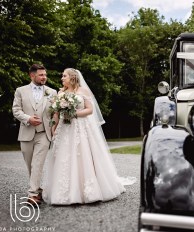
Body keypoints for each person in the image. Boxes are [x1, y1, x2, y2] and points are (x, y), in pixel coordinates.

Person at [42, 68, 134, 205]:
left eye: (64, 76)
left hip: (81, 127)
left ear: (72, 77)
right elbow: (56, 114)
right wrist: (53, 128)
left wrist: (74, 113)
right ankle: (64, 192)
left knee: (83, 156)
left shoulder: (83, 91)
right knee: (64, 157)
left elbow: (90, 110)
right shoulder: (61, 93)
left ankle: (89, 191)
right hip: (65, 128)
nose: (62, 78)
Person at [12, 64, 57, 206]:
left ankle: (31, 195)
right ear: (32, 75)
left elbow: (55, 113)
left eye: (45, 74)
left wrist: (54, 128)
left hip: (44, 134)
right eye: (41, 75)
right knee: (30, 164)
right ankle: (37, 189)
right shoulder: (20, 91)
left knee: (38, 163)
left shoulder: (52, 92)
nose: (45, 77)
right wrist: (28, 119)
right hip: (26, 133)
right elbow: (16, 110)